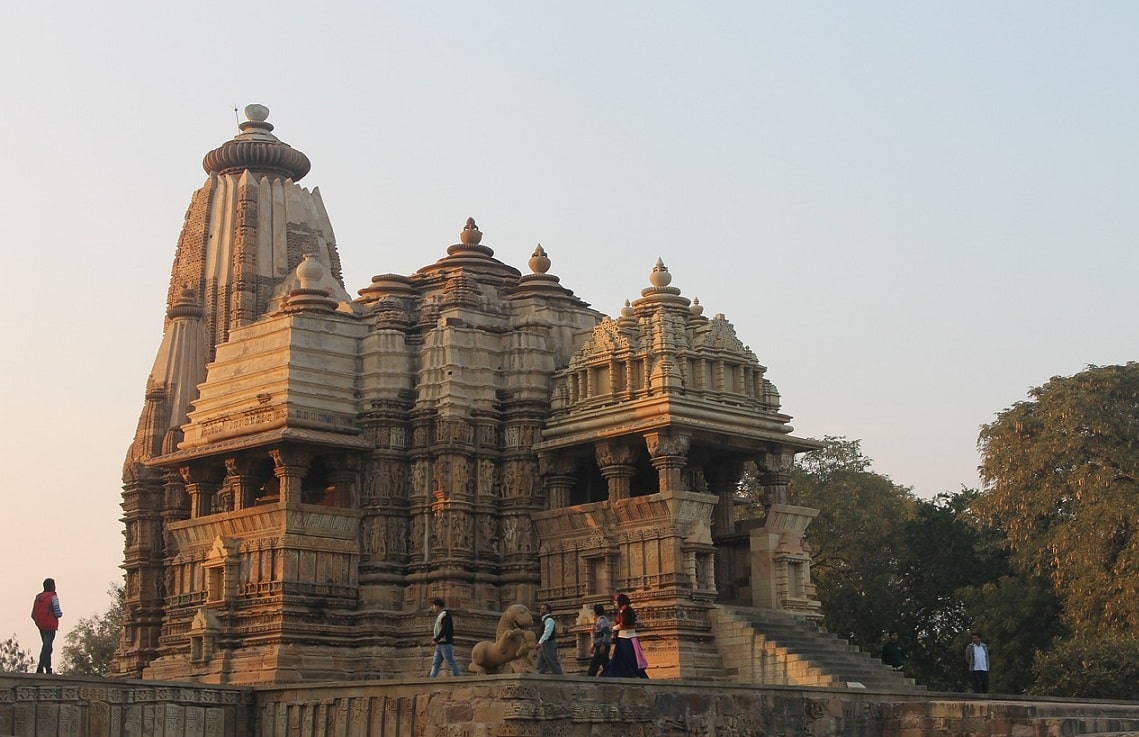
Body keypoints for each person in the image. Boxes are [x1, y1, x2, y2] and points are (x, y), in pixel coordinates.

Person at [603, 593, 648, 678]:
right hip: (623, 638)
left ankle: (633, 673)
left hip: (627, 638)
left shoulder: (625, 609)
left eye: (616, 601)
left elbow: (625, 623)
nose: (615, 603)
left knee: (629, 657)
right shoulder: (623, 610)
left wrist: (614, 628)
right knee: (620, 657)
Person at [31, 578, 62, 675]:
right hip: (50, 626)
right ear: (53, 586)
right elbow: (58, 613)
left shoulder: (38, 597)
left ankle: (48, 668)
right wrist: (61, 614)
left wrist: (38, 622)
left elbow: (32, 614)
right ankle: (40, 667)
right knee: (47, 646)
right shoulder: (53, 597)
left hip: (41, 626)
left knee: (47, 646)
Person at [428, 598, 462, 677]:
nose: (432, 608)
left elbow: (445, 629)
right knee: (435, 663)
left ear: (437, 606)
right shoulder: (440, 616)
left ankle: (458, 678)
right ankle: (431, 679)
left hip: (445, 644)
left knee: (450, 662)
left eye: (433, 606)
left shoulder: (445, 615)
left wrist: (436, 639)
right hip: (439, 644)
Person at [534, 603, 563, 675]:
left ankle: (560, 677)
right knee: (540, 662)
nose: (541, 610)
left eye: (543, 609)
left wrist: (540, 642)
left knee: (552, 661)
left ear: (548, 610)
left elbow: (547, 632)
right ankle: (537, 676)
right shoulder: (544, 620)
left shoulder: (549, 620)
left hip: (548, 643)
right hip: (544, 644)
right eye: (541, 609)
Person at [587, 603, 612, 677]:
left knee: (594, 664)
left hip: (602, 646)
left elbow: (606, 632)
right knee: (605, 663)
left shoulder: (602, 621)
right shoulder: (600, 620)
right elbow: (598, 635)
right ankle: (609, 675)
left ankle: (590, 678)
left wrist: (603, 645)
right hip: (600, 645)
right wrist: (594, 645)